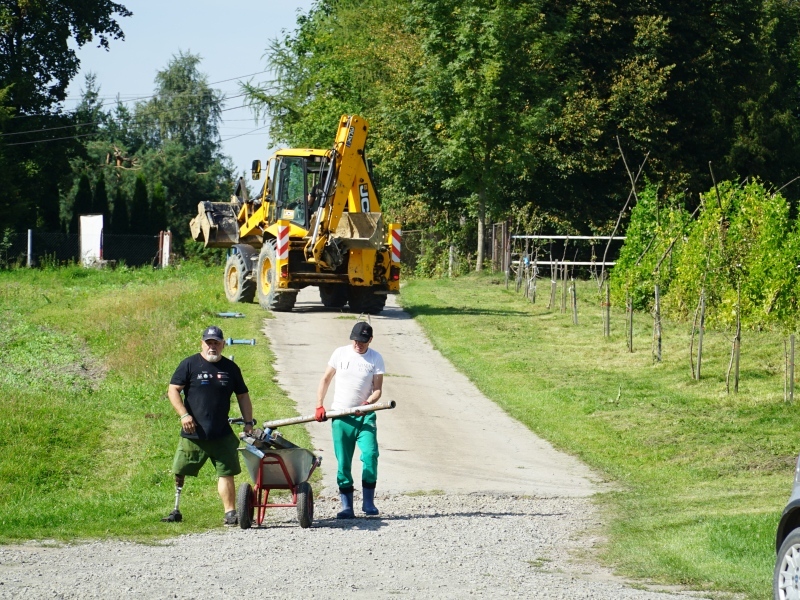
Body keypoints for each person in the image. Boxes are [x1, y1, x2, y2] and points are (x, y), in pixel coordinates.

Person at [161, 325, 255, 526]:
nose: (212, 346)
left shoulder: (231, 368)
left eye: (216, 343)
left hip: (221, 432)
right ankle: (175, 508)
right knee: (180, 469)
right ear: (202, 343)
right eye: (208, 342)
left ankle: (230, 513)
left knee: (226, 473)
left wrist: (248, 422)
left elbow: (243, 396)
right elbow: (173, 390)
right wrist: (184, 415)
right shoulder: (189, 364)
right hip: (193, 432)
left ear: (222, 344)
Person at [315, 321, 385, 518]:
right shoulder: (340, 353)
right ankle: (346, 506)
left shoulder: (375, 358)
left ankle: (368, 502)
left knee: (370, 455)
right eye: (355, 340)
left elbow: (378, 389)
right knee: (343, 462)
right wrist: (320, 404)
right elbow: (326, 379)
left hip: (365, 415)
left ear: (370, 340)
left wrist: (367, 403)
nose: (358, 345)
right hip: (341, 415)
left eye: (362, 341)